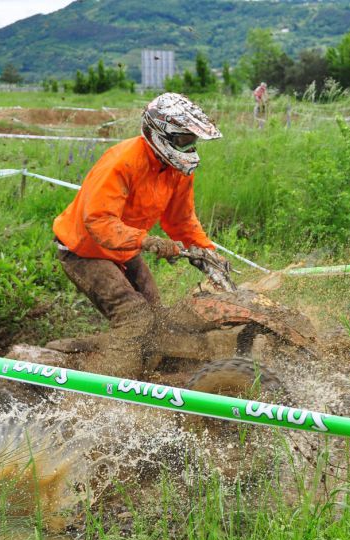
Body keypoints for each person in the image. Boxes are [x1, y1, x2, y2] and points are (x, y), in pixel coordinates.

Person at [52, 92, 224, 377]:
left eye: (192, 140)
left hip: (123, 247)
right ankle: (109, 393)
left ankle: (146, 372)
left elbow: (181, 221)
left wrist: (207, 254)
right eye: (184, 140)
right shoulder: (122, 162)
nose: (189, 147)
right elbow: (98, 220)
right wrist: (149, 241)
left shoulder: (176, 170)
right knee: (134, 317)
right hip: (83, 249)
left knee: (157, 316)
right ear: (160, 134)